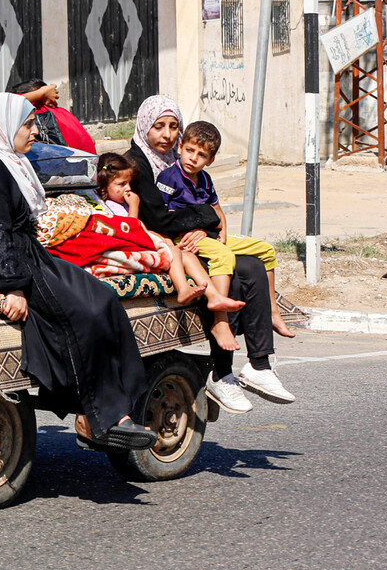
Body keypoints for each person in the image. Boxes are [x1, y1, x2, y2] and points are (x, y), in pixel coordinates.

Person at [0, 93, 156, 450]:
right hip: (12, 266)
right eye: (28, 124)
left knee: (103, 299)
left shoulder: (0, 159)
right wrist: (14, 288)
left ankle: (119, 409)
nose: (34, 131)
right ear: (5, 126)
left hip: (27, 256)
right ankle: (97, 417)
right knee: (86, 313)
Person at [124, 95, 295, 412]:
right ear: (144, 125)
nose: (167, 135)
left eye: (174, 127)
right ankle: (222, 371)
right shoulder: (137, 164)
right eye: (159, 126)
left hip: (191, 239)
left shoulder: (184, 167)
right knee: (237, 276)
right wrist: (206, 219)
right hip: (165, 245)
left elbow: (207, 212)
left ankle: (259, 364)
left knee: (255, 265)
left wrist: (208, 225)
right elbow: (160, 219)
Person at [156, 121, 295, 349]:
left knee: (266, 250)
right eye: (190, 150)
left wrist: (222, 232)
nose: (193, 158)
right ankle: (219, 320)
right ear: (180, 147)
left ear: (210, 160)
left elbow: (218, 210)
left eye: (201, 155)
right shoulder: (169, 178)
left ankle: (273, 311)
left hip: (209, 235)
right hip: (185, 239)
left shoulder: (205, 179)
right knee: (224, 256)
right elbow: (161, 218)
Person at [95, 152, 212, 306]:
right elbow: (130, 230)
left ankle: (214, 295)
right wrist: (134, 206)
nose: (128, 188)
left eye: (129, 183)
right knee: (174, 252)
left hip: (143, 244)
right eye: (121, 184)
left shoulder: (123, 203)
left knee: (187, 256)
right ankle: (183, 289)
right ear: (104, 186)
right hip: (131, 249)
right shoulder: (110, 208)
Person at [10, 79, 97, 153]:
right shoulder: (63, 112)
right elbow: (91, 141)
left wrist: (42, 93)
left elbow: (8, 103)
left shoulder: (39, 110)